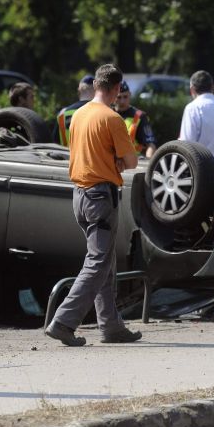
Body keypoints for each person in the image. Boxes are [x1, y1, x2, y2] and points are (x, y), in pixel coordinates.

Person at [45, 64, 142, 346]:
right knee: (98, 263)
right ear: (115, 89)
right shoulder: (112, 119)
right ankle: (64, 322)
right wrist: (117, 161)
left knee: (105, 262)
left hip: (80, 195)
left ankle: (111, 326)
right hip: (101, 196)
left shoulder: (78, 115)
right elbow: (133, 162)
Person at [179, 70, 214, 161]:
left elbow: (186, 146)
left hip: (201, 169)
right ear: (212, 87)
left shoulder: (192, 108)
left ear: (192, 89)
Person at [114, 80, 157, 158]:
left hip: (133, 164)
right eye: (119, 97)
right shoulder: (108, 114)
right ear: (113, 96)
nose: (122, 101)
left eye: (125, 97)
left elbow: (151, 144)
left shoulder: (139, 116)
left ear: (130, 95)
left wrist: (148, 163)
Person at [57, 75, 96, 146]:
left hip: (67, 155)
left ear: (79, 90)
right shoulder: (101, 112)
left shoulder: (62, 114)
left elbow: (55, 141)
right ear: (96, 91)